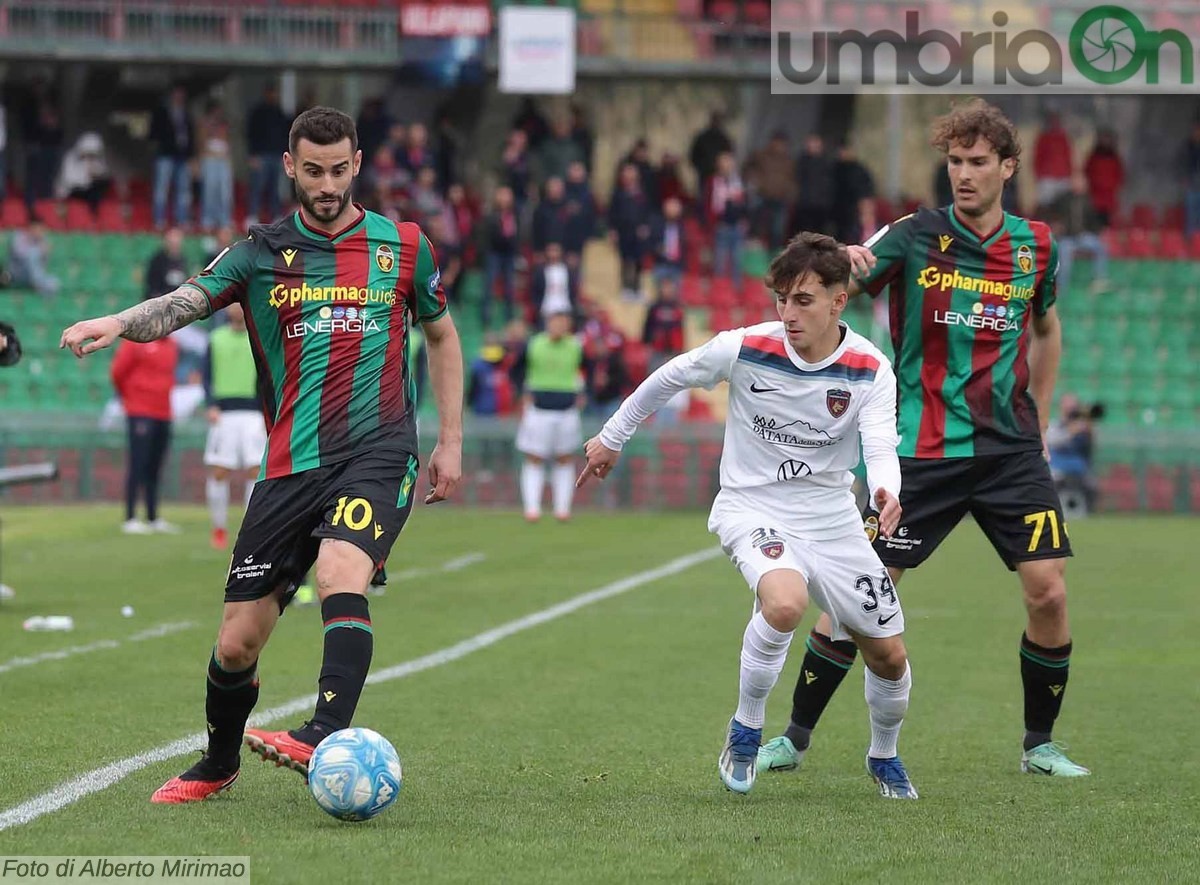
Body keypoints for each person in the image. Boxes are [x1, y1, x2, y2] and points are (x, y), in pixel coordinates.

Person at [61, 106, 464, 803]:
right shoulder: (257, 253)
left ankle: (321, 732)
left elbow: (443, 335)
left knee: (343, 569)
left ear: (358, 164)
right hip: (288, 464)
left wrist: (450, 441)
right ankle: (220, 761)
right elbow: (186, 301)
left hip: (378, 447)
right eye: (314, 171)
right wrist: (120, 324)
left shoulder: (403, 245)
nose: (328, 183)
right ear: (289, 167)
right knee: (236, 643)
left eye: (339, 170)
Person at [761, 99, 1089, 779]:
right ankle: (793, 736)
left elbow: (1048, 330)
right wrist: (845, 259)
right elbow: (849, 272)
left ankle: (1039, 745)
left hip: (1011, 452)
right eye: (954, 162)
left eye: (976, 162)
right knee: (860, 595)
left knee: (1048, 590)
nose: (963, 175)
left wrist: (1043, 420)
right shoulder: (915, 235)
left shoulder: (1037, 245)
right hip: (920, 452)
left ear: (1007, 166)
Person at [578, 233, 917, 798]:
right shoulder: (743, 347)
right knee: (784, 602)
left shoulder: (870, 368)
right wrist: (613, 437)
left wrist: (885, 490)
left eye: (804, 300)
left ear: (839, 301)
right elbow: (669, 377)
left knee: (888, 654)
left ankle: (884, 756)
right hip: (752, 507)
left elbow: (880, 444)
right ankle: (746, 728)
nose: (787, 313)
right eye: (782, 298)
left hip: (833, 521)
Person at [203, 302, 266, 550]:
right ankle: (219, 526)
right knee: (219, 471)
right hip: (224, 414)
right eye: (233, 304)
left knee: (255, 470)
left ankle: (251, 529)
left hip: (254, 413)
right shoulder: (216, 339)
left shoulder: (259, 337)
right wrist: (210, 404)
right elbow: (207, 376)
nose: (238, 308)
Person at [512, 310, 584, 523]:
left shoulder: (575, 346)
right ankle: (532, 509)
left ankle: (562, 509)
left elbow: (589, 368)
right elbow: (516, 370)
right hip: (539, 409)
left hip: (567, 409)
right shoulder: (534, 345)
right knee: (534, 456)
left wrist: (583, 394)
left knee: (564, 457)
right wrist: (522, 393)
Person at [109, 334, 179, 535]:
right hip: (140, 411)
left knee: (155, 466)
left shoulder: (172, 345)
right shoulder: (134, 342)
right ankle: (130, 517)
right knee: (138, 464)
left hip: (164, 411)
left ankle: (152, 517)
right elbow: (117, 372)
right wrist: (132, 397)